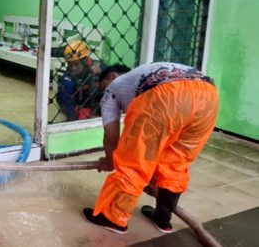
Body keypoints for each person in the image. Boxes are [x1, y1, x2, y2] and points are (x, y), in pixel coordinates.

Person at [82, 62, 219, 234]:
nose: (104, 91)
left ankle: (112, 218)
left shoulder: (113, 87)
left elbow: (111, 137)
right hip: (208, 96)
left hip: (166, 94)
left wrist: (109, 161)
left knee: (133, 162)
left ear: (112, 76)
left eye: (103, 87)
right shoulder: (142, 75)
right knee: (177, 162)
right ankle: (163, 218)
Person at [57, 40, 105, 121]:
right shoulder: (69, 75)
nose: (73, 68)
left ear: (85, 60)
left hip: (93, 100)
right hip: (77, 100)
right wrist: (72, 118)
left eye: (76, 64)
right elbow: (65, 96)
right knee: (63, 92)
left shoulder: (97, 67)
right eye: (70, 64)